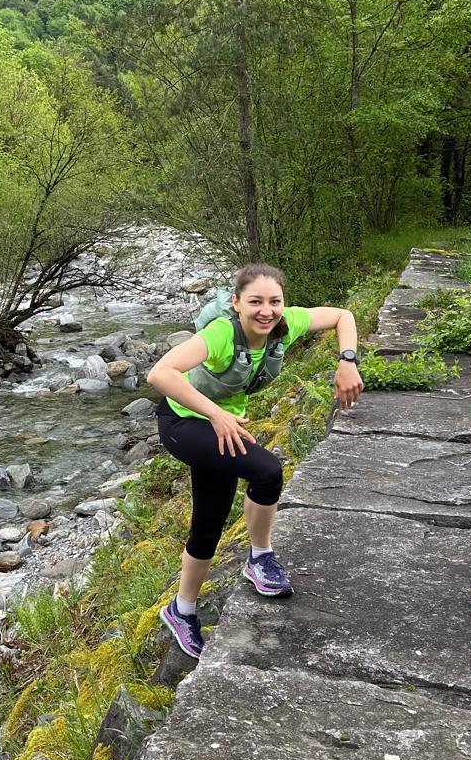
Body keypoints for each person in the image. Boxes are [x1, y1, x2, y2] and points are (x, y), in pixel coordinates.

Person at [146, 262, 363, 658]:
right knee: (266, 470)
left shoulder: (285, 325)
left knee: (209, 522)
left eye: (274, 301)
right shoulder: (221, 332)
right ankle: (260, 557)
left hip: (221, 427)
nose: (266, 310)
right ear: (236, 303)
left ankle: (182, 610)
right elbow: (160, 373)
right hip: (182, 423)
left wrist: (347, 360)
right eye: (255, 302)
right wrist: (215, 413)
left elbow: (342, 316)